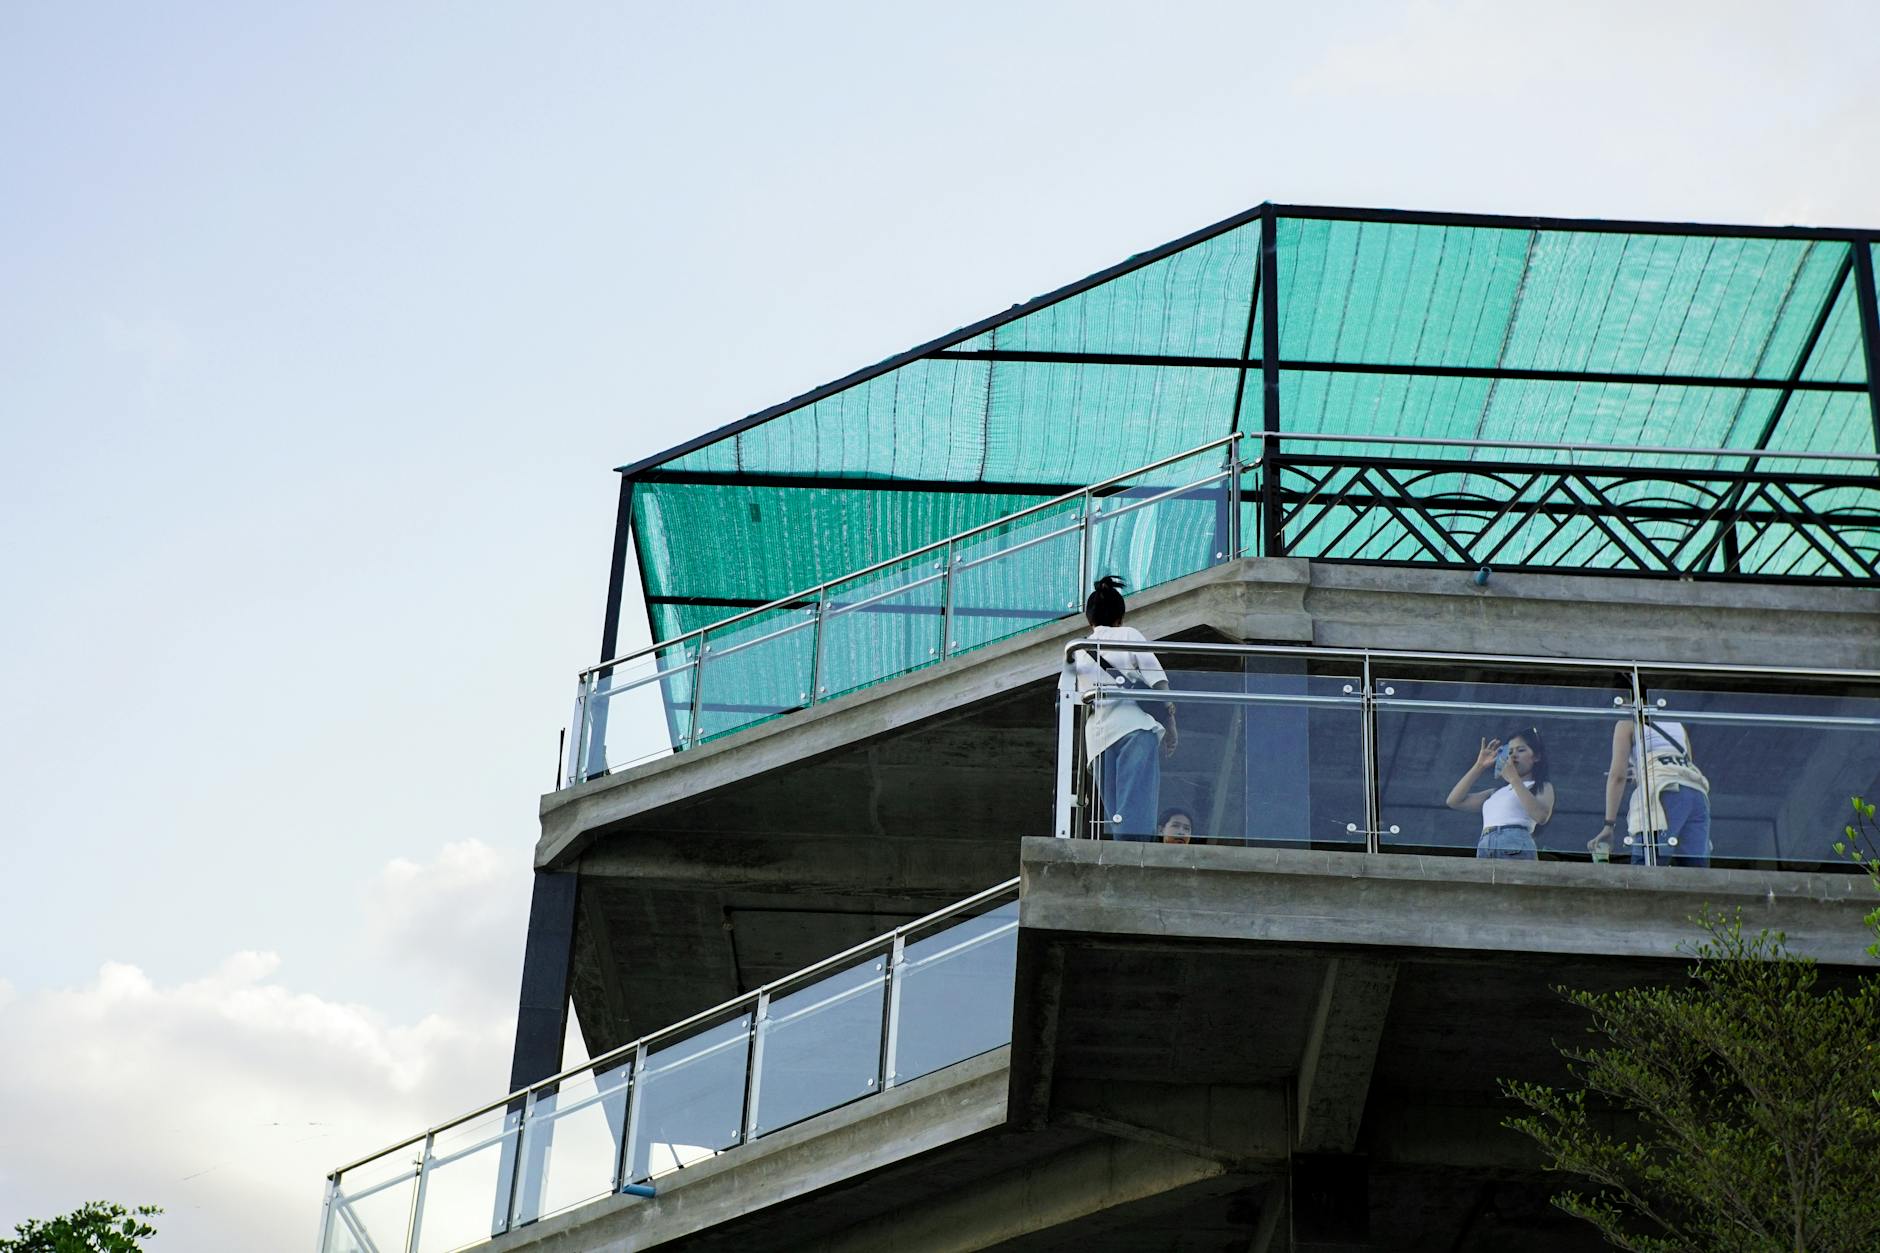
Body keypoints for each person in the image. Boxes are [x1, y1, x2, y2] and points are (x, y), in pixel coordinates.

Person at [1068, 576, 1178, 840]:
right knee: (1138, 804)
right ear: (1120, 617)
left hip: (1097, 739)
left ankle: (1122, 858)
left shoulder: (1076, 649)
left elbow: (1071, 696)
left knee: (1116, 813)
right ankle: (1137, 860)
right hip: (1133, 728)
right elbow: (1158, 682)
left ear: (1089, 619)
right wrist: (1172, 726)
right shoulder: (1128, 634)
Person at [1587, 719, 1712, 867]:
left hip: (1663, 792)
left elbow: (1617, 777)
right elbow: (1681, 766)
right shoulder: (1678, 725)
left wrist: (1609, 825)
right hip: (1697, 793)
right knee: (1696, 873)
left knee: (1646, 868)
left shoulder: (1626, 724)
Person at [1444, 727, 1554, 859]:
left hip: (1515, 840)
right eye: (1510, 751)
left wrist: (1514, 779)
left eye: (1521, 750)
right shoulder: (1496, 792)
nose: (1513, 755)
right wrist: (1479, 766)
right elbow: (1454, 801)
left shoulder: (1540, 786)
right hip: (1486, 843)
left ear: (1536, 757)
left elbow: (1541, 816)